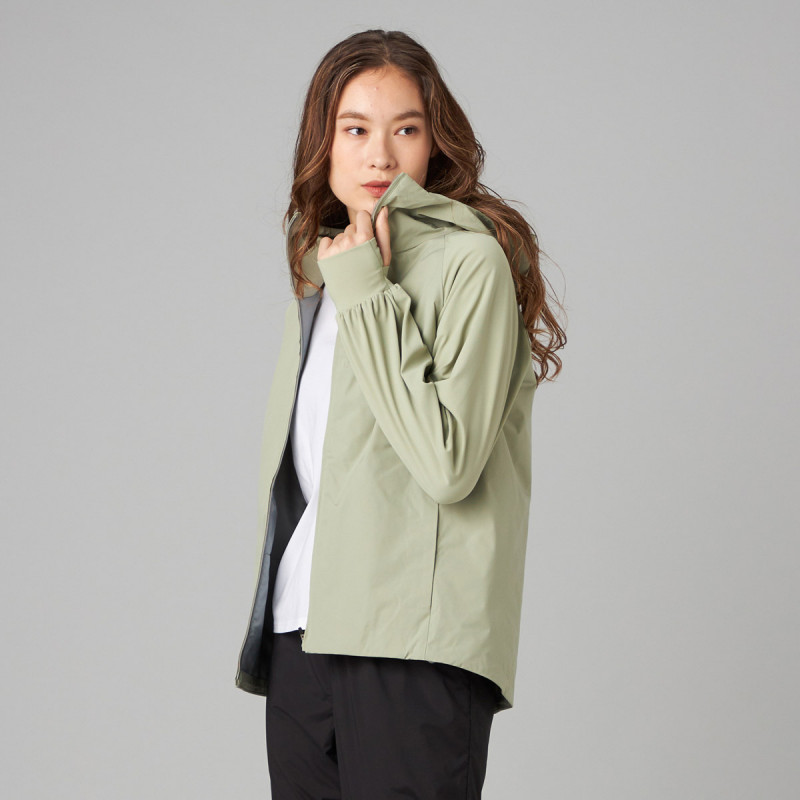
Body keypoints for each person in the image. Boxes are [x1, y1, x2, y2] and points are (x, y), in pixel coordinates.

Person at [236, 28, 566, 799]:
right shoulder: (326, 271)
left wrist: (367, 290)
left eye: (405, 130)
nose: (379, 156)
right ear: (323, 142)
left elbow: (448, 464)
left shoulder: (468, 262)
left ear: (433, 142)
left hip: (412, 641)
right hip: (302, 631)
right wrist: (350, 279)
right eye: (355, 129)